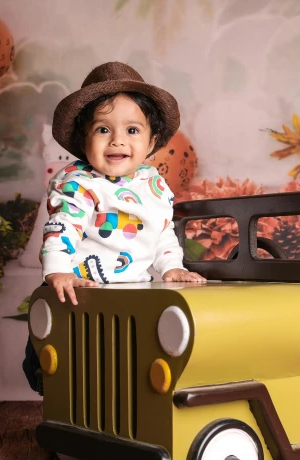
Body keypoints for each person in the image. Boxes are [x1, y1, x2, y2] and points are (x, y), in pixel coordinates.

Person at [22, 61, 205, 394]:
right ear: (83, 139)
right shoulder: (79, 183)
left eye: (132, 130)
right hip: (80, 294)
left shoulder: (155, 185)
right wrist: (58, 271)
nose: (117, 141)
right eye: (103, 129)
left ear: (152, 142)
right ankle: (52, 385)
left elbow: (162, 232)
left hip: (134, 294)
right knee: (74, 364)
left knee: (127, 364)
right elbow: (63, 226)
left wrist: (171, 267)